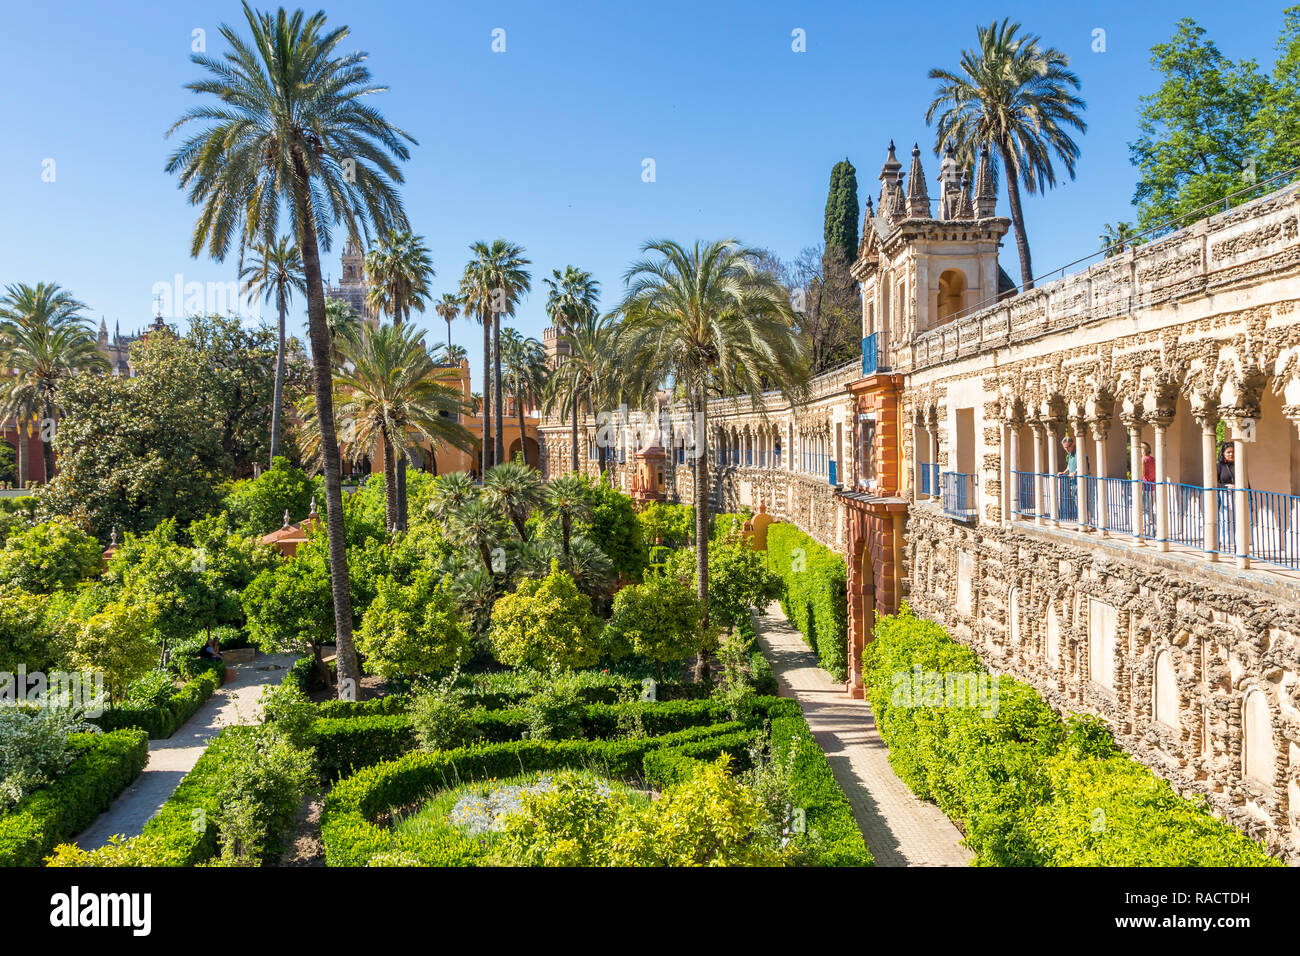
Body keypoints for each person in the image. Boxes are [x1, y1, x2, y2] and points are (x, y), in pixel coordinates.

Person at [1140, 441, 1156, 537]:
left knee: (1144, 510)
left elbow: (1142, 473)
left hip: (1145, 486)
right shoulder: (1153, 459)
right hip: (1152, 486)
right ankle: (1151, 529)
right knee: (1150, 509)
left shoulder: (1144, 460)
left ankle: (1151, 528)